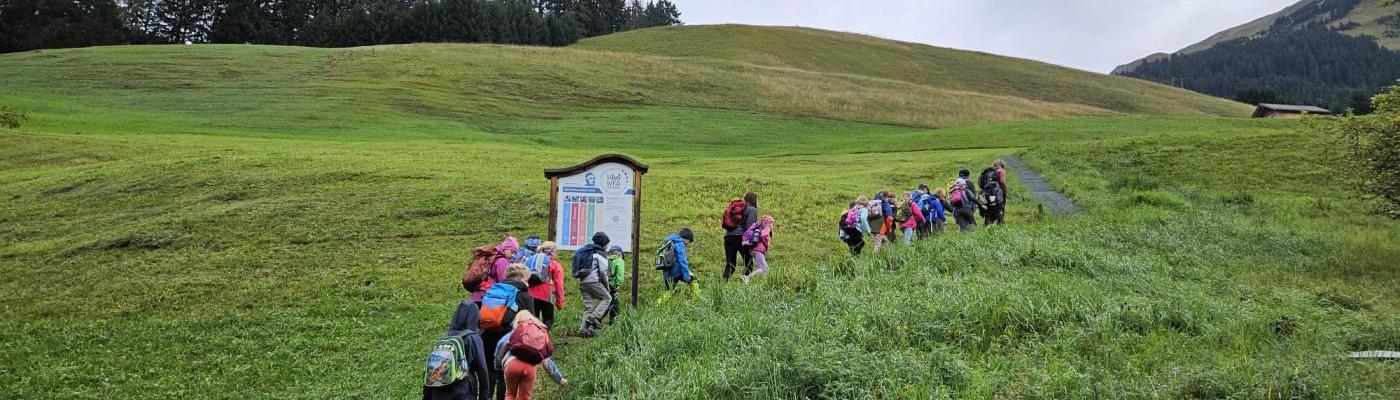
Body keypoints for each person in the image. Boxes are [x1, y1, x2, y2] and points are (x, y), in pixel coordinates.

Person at [481, 264, 535, 400]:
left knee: (489, 372)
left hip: (487, 335)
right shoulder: (524, 296)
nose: (527, 283)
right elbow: (530, 323)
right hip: (508, 339)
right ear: (518, 277)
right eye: (526, 279)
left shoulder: (494, 290)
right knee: (504, 376)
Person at [422, 301, 491, 400]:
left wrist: (427, 396)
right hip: (463, 392)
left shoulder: (444, 338)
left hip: (438, 393)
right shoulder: (473, 338)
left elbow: (430, 369)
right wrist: (485, 397)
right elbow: (482, 370)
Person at [494, 311, 566, 400]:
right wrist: (559, 379)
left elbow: (501, 345)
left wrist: (497, 365)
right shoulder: (537, 337)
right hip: (530, 368)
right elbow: (547, 361)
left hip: (512, 365)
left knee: (511, 395)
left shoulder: (515, 332)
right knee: (525, 397)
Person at [576, 232, 612, 337]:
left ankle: (583, 330)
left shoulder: (588, 252)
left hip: (583, 282)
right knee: (607, 298)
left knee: (589, 307)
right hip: (593, 281)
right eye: (606, 244)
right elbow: (603, 272)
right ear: (603, 244)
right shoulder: (600, 254)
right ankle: (593, 317)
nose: (607, 246)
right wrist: (607, 286)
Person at [525, 241, 565, 330]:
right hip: (546, 295)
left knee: (533, 319)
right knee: (548, 319)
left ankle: (531, 338)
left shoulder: (531, 259)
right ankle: (541, 338)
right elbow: (559, 284)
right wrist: (560, 302)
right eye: (556, 251)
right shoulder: (555, 264)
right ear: (552, 252)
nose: (557, 254)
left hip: (530, 295)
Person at [723, 192, 759, 281]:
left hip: (728, 238)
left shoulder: (735, 209)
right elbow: (749, 227)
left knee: (730, 265)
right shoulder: (752, 210)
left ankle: (722, 285)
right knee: (749, 263)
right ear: (753, 200)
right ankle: (746, 284)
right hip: (740, 238)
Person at [472, 237, 520, 305]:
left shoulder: (491, 257)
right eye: (512, 252)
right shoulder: (502, 261)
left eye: (515, 253)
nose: (513, 255)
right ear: (505, 248)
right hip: (489, 297)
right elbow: (504, 282)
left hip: (477, 295)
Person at [657, 228, 699, 303]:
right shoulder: (679, 243)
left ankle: (657, 306)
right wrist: (687, 276)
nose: (688, 244)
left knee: (668, 291)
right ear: (686, 238)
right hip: (678, 271)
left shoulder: (669, 241)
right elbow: (682, 260)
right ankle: (697, 301)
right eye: (689, 241)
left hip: (667, 272)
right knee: (694, 281)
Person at [740, 216, 775, 284]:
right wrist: (766, 244)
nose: (772, 225)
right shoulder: (767, 227)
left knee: (765, 268)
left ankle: (763, 282)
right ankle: (747, 277)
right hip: (758, 250)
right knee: (764, 268)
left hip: (753, 250)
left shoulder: (758, 227)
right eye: (772, 223)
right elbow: (763, 235)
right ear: (768, 223)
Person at [605, 245, 626, 324]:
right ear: (620, 253)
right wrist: (618, 284)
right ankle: (613, 321)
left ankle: (611, 320)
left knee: (611, 301)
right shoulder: (619, 260)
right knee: (614, 303)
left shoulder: (608, 260)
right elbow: (620, 274)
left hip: (606, 283)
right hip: (613, 284)